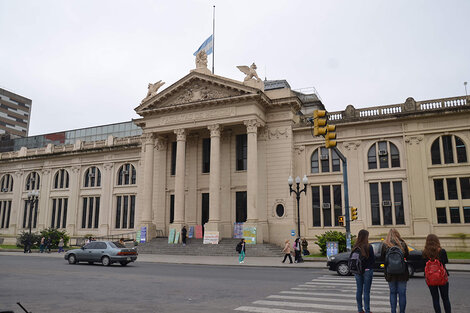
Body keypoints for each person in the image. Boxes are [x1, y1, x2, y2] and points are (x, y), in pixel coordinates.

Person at [381, 228, 409, 313]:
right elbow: (407, 255)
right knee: (402, 293)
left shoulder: (385, 245)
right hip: (402, 272)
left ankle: (393, 311)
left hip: (390, 272)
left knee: (392, 293)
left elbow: (382, 258)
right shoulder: (402, 244)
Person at [422, 234, 451, 313]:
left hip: (430, 278)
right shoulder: (441, 251)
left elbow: (424, 265)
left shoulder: (425, 252)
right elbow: (445, 262)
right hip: (442, 277)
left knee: (435, 299)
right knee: (445, 299)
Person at [352, 229, 375, 313]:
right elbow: (372, 260)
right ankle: (367, 310)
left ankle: (360, 309)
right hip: (367, 270)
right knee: (366, 291)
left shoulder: (355, 247)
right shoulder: (369, 246)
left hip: (357, 271)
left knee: (359, 290)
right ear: (366, 236)